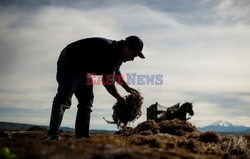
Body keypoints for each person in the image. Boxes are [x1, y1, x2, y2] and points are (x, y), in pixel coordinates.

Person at [48, 36, 145, 140]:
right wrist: (119, 98)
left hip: (84, 68)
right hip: (70, 62)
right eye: (133, 55)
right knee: (64, 97)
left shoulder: (118, 54)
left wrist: (127, 87)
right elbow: (108, 82)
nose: (132, 59)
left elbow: (115, 72)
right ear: (127, 47)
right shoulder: (110, 51)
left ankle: (82, 136)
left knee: (86, 100)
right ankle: (53, 135)